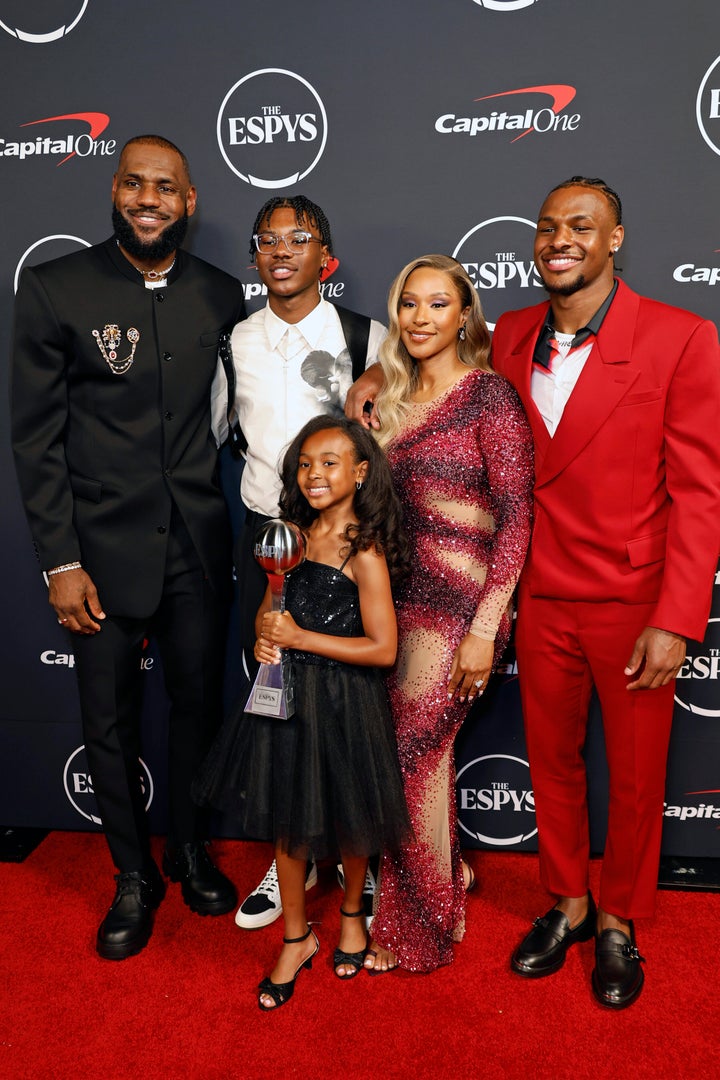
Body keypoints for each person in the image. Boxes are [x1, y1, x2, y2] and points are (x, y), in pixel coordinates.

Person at [10, 134, 246, 960]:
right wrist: (60, 562)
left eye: (167, 188)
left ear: (190, 202)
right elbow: (36, 441)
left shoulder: (222, 295)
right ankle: (131, 877)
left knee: (196, 707)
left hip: (195, 545)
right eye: (136, 184)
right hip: (99, 556)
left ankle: (187, 849)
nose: (150, 199)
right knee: (106, 721)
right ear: (116, 191)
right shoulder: (54, 289)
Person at [491, 177, 720, 1009]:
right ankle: (570, 902)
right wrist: (373, 383)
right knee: (550, 763)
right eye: (548, 226)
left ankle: (619, 918)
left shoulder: (681, 336)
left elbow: (700, 492)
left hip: (634, 603)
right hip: (541, 593)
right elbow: (435, 366)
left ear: (615, 238)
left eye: (580, 226)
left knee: (632, 775)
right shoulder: (510, 333)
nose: (560, 238)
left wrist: (676, 618)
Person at [194, 415, 411, 1008]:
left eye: (330, 462)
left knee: (353, 817)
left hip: (347, 701)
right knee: (289, 824)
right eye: (306, 464)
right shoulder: (286, 537)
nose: (314, 474)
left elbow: (384, 648)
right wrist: (268, 637)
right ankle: (295, 937)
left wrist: (299, 638)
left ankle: (349, 915)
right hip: (286, 699)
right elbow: (271, 610)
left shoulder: (363, 550)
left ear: (361, 473)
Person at [211, 195, 386, 929]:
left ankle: (355, 865)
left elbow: (397, 430)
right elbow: (219, 435)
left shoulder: (366, 335)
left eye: (299, 238)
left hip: (346, 545)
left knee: (347, 711)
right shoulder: (234, 340)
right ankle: (292, 868)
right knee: (279, 703)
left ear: (327, 257)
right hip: (270, 540)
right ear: (256, 259)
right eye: (267, 241)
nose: (281, 250)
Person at [364, 255, 534, 973]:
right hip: (391, 610)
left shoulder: (488, 395)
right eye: (409, 304)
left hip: (461, 616)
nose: (422, 318)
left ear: (465, 315)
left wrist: (487, 627)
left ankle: (422, 926)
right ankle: (446, 874)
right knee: (411, 758)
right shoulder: (389, 405)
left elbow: (517, 516)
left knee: (415, 758)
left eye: (439, 304)